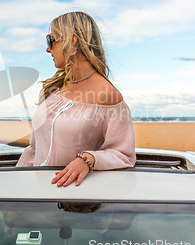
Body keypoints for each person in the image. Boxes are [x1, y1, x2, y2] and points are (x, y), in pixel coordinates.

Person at [16, 11, 136, 187]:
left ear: (72, 40)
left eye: (51, 40)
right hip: (37, 195)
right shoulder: (51, 90)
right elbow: (33, 150)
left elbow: (123, 155)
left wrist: (88, 159)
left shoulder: (107, 94)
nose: (48, 49)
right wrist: (17, 187)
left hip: (73, 200)